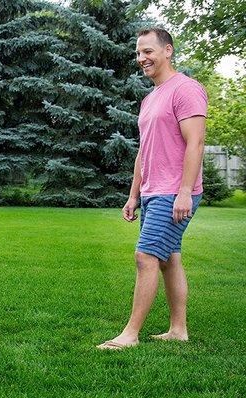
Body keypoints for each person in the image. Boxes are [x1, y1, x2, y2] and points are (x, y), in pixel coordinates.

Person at [97, 28, 207, 350]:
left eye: (148, 51)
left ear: (168, 51)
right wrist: (133, 194)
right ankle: (178, 330)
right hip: (152, 191)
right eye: (138, 53)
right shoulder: (149, 98)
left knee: (145, 256)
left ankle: (129, 335)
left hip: (175, 190)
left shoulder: (186, 89)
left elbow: (196, 142)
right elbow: (144, 150)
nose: (141, 58)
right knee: (169, 257)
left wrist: (185, 191)